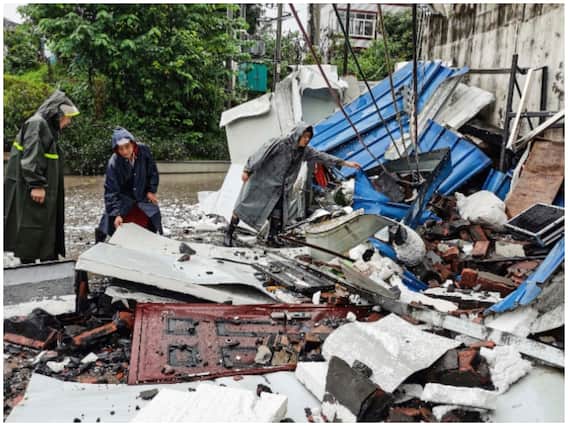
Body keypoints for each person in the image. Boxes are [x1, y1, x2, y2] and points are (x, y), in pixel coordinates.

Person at [223, 122, 361, 247]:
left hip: (279, 188)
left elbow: (322, 156)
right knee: (244, 206)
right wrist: (247, 169)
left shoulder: (305, 151)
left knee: (277, 212)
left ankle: (271, 238)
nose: (306, 140)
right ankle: (229, 233)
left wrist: (345, 163)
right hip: (262, 182)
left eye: (308, 137)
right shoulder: (280, 143)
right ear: (297, 134)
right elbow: (261, 154)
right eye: (304, 136)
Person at [4, 90, 79, 263]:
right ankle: (29, 264)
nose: (69, 122)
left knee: (44, 227)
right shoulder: (37, 124)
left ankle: (46, 260)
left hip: (43, 191)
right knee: (30, 227)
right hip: (32, 190)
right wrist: (36, 184)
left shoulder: (46, 127)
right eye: (67, 117)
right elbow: (31, 156)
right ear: (57, 113)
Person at [95, 127, 162, 242]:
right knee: (108, 222)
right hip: (123, 199)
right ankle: (99, 243)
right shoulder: (113, 163)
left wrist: (151, 190)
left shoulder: (144, 151)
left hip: (142, 195)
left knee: (153, 219)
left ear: (133, 144)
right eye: (121, 149)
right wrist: (117, 214)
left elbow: (153, 172)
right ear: (116, 149)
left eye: (127, 147)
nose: (125, 151)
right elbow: (111, 191)